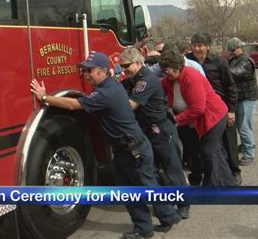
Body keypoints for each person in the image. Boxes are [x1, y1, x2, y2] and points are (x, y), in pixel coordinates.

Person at [30, 51, 181, 238]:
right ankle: (147, 226)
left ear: (102, 72)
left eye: (89, 70)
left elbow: (72, 105)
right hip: (126, 149)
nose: (85, 74)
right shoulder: (111, 86)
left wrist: (45, 98)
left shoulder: (106, 93)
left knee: (145, 187)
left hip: (134, 149)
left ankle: (165, 218)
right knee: (128, 190)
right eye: (84, 70)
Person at [120, 47, 190, 219]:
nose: (123, 70)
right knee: (150, 171)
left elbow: (130, 105)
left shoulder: (146, 80)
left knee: (172, 169)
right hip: (146, 131)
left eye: (125, 66)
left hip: (161, 130)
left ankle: (183, 204)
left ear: (137, 63)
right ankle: (164, 205)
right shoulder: (132, 79)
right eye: (121, 67)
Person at [159, 48, 236, 186]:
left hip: (213, 117)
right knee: (208, 152)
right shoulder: (169, 80)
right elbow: (157, 88)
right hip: (192, 121)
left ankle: (212, 187)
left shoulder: (191, 77)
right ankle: (227, 183)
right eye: (163, 70)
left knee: (208, 152)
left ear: (177, 67)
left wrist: (176, 120)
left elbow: (198, 108)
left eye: (167, 70)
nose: (165, 73)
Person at [186, 32, 240, 186]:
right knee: (207, 147)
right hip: (200, 110)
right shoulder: (188, 61)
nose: (197, 48)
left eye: (200, 45)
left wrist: (231, 110)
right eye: (194, 45)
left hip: (221, 109)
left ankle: (235, 172)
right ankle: (210, 175)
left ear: (208, 46)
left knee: (229, 142)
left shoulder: (219, 62)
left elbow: (231, 86)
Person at [227, 37, 258, 166]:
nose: (231, 53)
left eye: (233, 50)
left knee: (244, 127)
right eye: (230, 51)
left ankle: (249, 154)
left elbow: (235, 73)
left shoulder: (246, 61)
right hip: (239, 97)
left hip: (247, 98)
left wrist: (221, 70)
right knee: (242, 126)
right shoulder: (234, 59)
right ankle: (248, 145)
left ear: (240, 47)